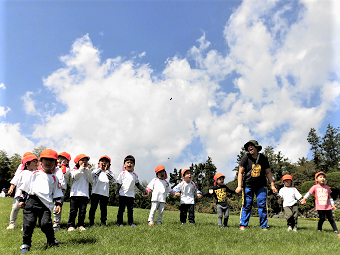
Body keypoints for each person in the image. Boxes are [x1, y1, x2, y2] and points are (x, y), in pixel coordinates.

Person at [18, 149, 63, 253]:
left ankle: (51, 240)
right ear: (40, 161)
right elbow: (25, 188)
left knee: (45, 224)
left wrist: (58, 204)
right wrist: (22, 200)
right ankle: (26, 243)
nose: (48, 162)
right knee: (28, 224)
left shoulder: (54, 178)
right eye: (46, 159)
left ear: (55, 163)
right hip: (32, 202)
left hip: (46, 205)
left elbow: (57, 193)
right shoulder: (33, 174)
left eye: (51, 160)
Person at [235, 140, 277, 230]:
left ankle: (264, 225)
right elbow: (240, 173)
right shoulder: (246, 158)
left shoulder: (263, 158)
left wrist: (272, 185)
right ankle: (243, 224)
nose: (250, 147)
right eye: (248, 146)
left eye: (252, 145)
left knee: (262, 205)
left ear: (257, 147)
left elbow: (268, 172)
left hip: (261, 185)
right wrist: (239, 186)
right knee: (247, 205)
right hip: (248, 185)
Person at [6, 155, 38, 230]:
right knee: (15, 208)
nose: (36, 163)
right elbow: (14, 182)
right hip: (19, 195)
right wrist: (11, 188)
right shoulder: (21, 173)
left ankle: (25, 225)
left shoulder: (36, 173)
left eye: (37, 162)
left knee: (27, 211)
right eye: (34, 162)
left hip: (30, 196)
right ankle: (12, 223)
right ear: (27, 164)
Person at [116, 155, 148, 227]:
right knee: (121, 209)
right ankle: (119, 223)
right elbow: (118, 184)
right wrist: (117, 193)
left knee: (130, 210)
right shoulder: (122, 174)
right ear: (124, 165)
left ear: (134, 165)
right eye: (128, 162)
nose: (129, 164)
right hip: (123, 194)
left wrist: (143, 190)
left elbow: (138, 184)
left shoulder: (134, 175)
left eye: (131, 163)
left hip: (131, 195)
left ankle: (130, 223)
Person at [67, 154, 93, 231]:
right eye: (82, 160)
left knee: (82, 211)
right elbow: (74, 176)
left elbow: (91, 180)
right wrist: (81, 168)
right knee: (73, 211)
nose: (85, 162)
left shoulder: (87, 171)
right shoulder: (74, 170)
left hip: (84, 195)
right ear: (77, 162)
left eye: (86, 160)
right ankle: (71, 225)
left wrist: (87, 170)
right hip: (75, 194)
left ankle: (80, 225)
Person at [88, 155, 115, 227]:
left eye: (106, 162)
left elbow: (112, 179)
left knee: (103, 209)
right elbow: (93, 176)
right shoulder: (95, 171)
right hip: (95, 192)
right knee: (93, 208)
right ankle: (91, 222)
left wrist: (106, 170)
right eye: (102, 161)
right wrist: (100, 169)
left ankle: (103, 222)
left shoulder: (110, 173)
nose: (104, 163)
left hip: (105, 193)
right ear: (98, 163)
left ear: (109, 164)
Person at [52, 151, 71, 230]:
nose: (60, 160)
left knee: (57, 206)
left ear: (67, 161)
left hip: (60, 190)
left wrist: (62, 165)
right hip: (52, 188)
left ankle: (56, 223)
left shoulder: (67, 169)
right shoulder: (54, 168)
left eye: (63, 159)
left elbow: (64, 173)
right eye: (59, 158)